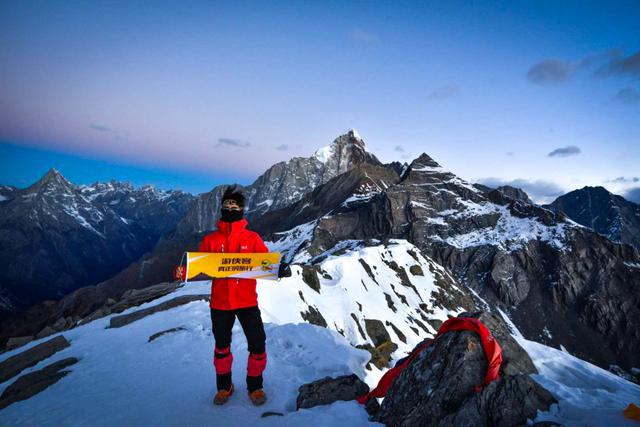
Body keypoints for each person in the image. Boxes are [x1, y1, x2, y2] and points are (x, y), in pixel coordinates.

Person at [173, 186, 291, 406]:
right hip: (220, 303)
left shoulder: (252, 238)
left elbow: (265, 263)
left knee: (257, 344)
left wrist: (280, 268)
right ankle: (224, 387)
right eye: (226, 205)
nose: (229, 208)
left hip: (247, 302)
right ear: (221, 208)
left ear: (241, 209)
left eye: (234, 205)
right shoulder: (211, 240)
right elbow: (198, 267)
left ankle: (255, 387)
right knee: (221, 347)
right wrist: (182, 272)